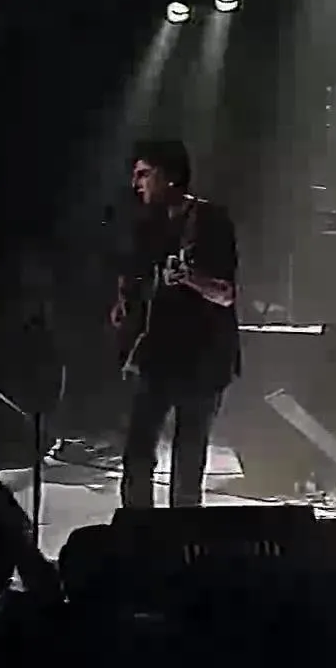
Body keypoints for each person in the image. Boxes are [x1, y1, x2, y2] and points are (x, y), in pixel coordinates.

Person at [109, 140, 240, 508]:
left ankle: (183, 532)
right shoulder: (146, 225)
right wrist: (123, 302)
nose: (136, 184)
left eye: (144, 175)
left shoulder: (210, 221)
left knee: (188, 459)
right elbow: (132, 274)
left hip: (203, 358)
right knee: (137, 452)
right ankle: (138, 529)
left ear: (169, 177)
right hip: (158, 354)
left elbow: (226, 293)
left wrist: (188, 277)